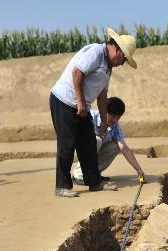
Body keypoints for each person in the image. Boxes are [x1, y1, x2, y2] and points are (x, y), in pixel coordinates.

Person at [49, 27, 137, 198]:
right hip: (64, 101)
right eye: (124, 59)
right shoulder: (96, 52)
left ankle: (94, 182)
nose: (122, 63)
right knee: (67, 144)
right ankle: (62, 186)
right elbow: (77, 73)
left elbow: (102, 95)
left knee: (88, 143)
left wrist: (104, 121)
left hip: (82, 107)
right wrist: (80, 101)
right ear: (117, 49)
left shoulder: (108, 67)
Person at [72, 97, 145, 185]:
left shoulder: (115, 125)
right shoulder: (90, 116)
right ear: (104, 111)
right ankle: (79, 176)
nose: (115, 120)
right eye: (113, 116)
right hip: (75, 151)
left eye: (118, 117)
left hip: (91, 152)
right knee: (97, 140)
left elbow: (124, 148)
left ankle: (94, 174)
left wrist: (138, 169)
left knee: (115, 146)